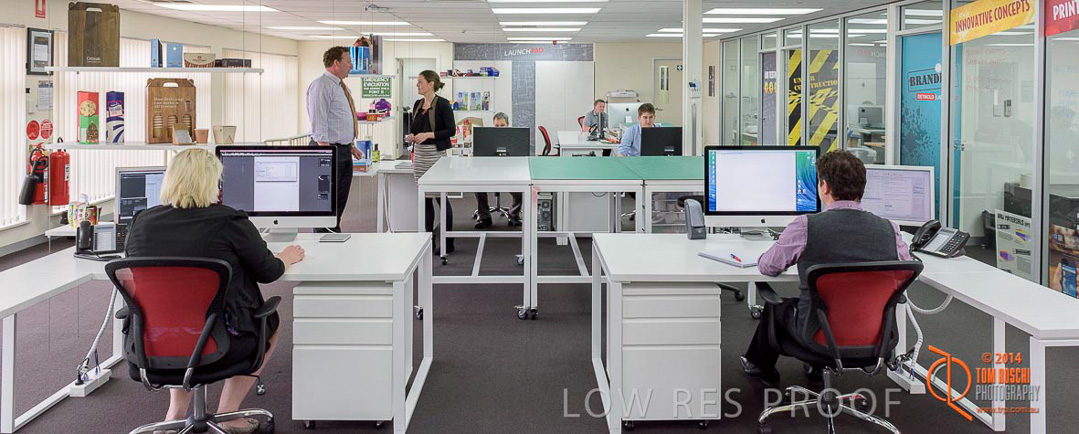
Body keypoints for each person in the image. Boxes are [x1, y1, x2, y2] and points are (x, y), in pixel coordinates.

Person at [124, 149, 305, 434]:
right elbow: (268, 271)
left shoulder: (141, 222)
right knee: (270, 322)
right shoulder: (229, 221)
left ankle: (174, 414)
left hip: (154, 343)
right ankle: (229, 414)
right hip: (223, 342)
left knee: (175, 317)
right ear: (213, 183)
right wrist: (286, 256)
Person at [740, 150, 912, 387]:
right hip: (876, 337)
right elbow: (905, 268)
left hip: (818, 336)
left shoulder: (806, 226)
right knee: (825, 306)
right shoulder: (889, 229)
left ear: (825, 187)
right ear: (862, 187)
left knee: (777, 307)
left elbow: (768, 266)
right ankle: (816, 367)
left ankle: (761, 367)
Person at [306, 46, 365, 233]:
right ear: (336, 63)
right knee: (326, 201)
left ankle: (333, 231)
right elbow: (319, 123)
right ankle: (323, 236)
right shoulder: (321, 85)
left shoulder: (339, 86)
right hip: (328, 151)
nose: (351, 66)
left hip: (343, 150)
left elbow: (338, 120)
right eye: (348, 62)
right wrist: (327, 154)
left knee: (339, 199)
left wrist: (351, 146)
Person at [407, 70, 456, 253]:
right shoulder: (417, 104)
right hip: (420, 155)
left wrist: (429, 134)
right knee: (425, 199)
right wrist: (411, 136)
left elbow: (451, 130)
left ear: (431, 84)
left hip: (436, 155)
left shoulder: (443, 104)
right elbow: (414, 128)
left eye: (420, 82)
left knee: (440, 197)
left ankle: (448, 242)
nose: (417, 85)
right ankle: (428, 241)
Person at [474, 112, 524, 228]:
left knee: (521, 187)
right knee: (478, 187)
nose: (499, 128)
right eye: (496, 126)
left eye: (502, 125)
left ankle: (514, 215)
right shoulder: (487, 138)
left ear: (508, 125)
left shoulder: (514, 138)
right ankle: (485, 217)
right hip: (490, 171)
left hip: (509, 172)